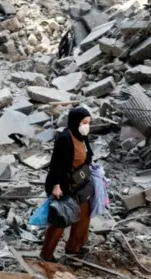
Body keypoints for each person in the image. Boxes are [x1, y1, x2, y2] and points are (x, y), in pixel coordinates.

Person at [40, 107, 94, 262]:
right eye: (84, 122)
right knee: (62, 218)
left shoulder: (83, 136)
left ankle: (74, 247)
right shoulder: (64, 138)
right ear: (75, 122)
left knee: (84, 214)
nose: (86, 126)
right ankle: (47, 254)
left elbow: (88, 156)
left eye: (88, 123)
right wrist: (56, 186)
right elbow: (56, 164)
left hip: (80, 182)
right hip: (63, 184)